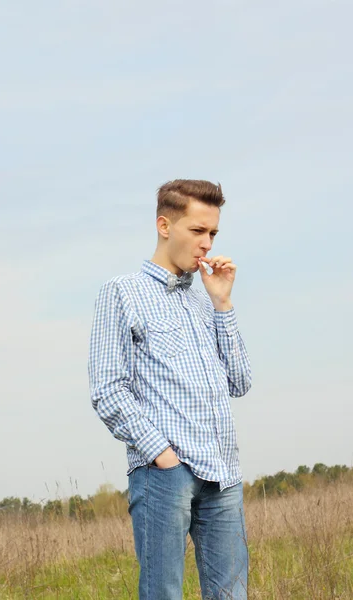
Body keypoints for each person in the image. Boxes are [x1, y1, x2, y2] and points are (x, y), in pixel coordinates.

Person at [88, 179, 252, 600]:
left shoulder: (203, 300)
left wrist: (223, 305)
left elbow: (240, 381)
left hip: (223, 474)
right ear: (165, 225)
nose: (207, 243)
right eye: (197, 231)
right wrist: (162, 456)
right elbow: (108, 389)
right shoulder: (122, 292)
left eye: (213, 233)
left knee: (231, 595)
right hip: (166, 476)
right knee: (163, 594)